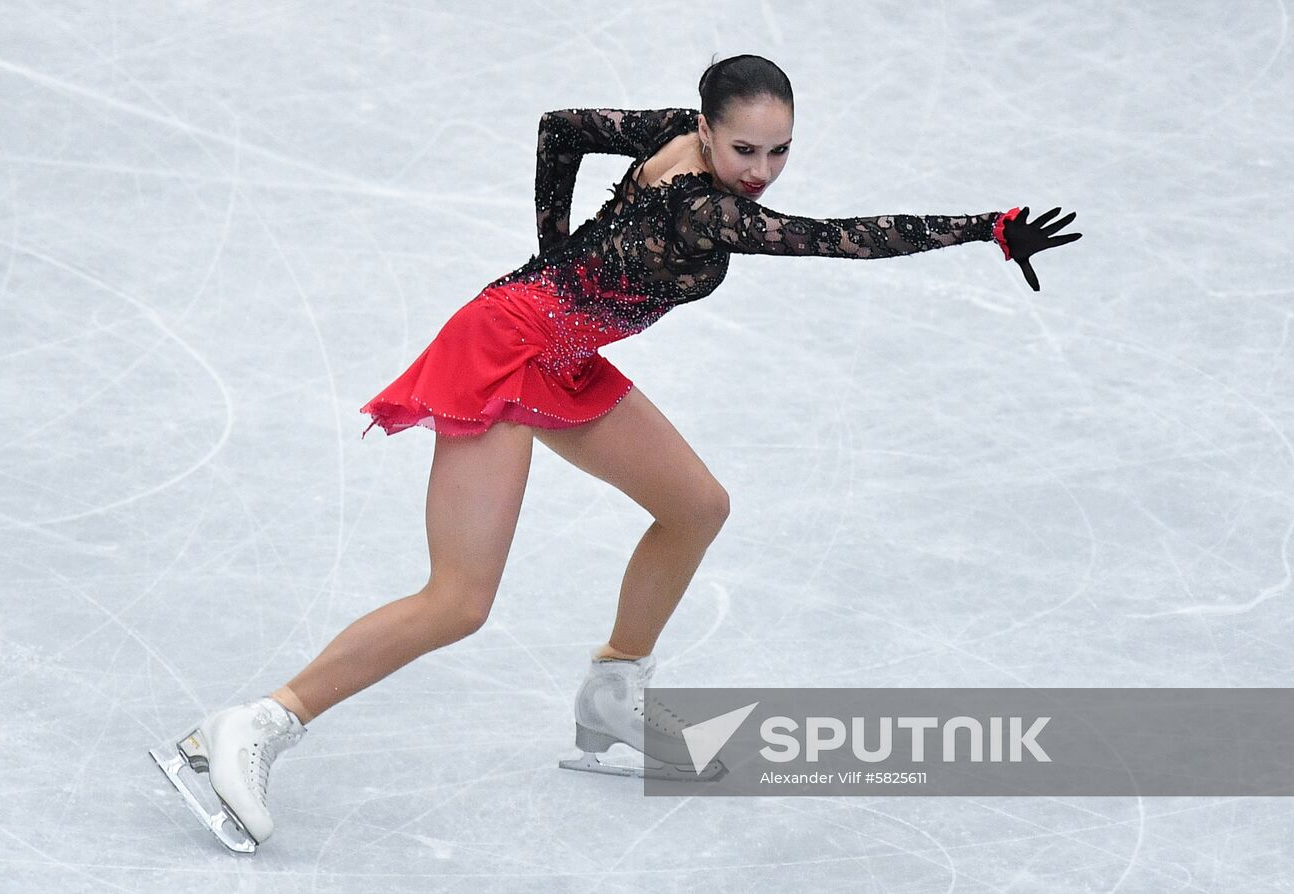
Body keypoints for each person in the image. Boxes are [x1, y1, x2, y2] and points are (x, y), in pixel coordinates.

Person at [149, 53, 1082, 853]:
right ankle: (254, 724)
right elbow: (837, 240)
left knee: (696, 508)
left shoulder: (679, 134)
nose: (761, 171)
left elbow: (563, 130)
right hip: (507, 346)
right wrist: (985, 227)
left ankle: (613, 693)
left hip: (563, 351)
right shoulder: (708, 213)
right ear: (710, 134)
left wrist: (552, 250)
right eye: (744, 150)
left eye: (780, 150)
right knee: (460, 600)